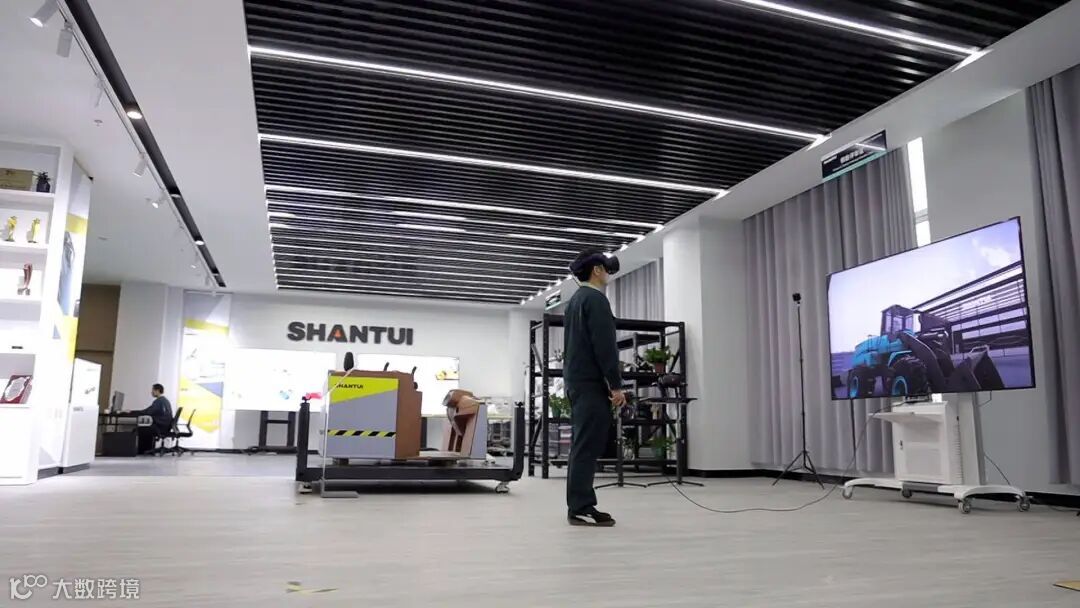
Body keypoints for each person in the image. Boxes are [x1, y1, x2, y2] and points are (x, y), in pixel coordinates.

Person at [563, 248, 624, 527]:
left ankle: (579, 504)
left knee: (582, 445)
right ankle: (581, 506)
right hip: (590, 383)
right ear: (596, 270)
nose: (608, 272)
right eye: (605, 267)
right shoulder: (596, 299)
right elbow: (605, 346)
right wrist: (616, 386)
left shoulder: (575, 300)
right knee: (587, 446)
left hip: (577, 383)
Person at [133, 383, 173, 454]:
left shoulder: (159, 401)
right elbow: (149, 411)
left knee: (139, 429)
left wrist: (131, 412)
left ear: (157, 390)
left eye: (153, 390)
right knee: (145, 427)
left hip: (160, 428)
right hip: (165, 427)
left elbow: (147, 412)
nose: (151, 392)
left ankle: (143, 451)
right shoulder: (165, 400)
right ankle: (148, 450)